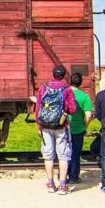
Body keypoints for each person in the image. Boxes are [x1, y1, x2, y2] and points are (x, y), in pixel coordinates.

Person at [32, 65, 76, 195]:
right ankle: (62, 185)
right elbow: (73, 109)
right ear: (63, 75)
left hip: (45, 126)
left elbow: (38, 107)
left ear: (53, 74)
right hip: (61, 126)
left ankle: (50, 184)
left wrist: (38, 124)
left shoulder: (43, 87)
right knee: (63, 156)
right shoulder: (67, 89)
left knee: (48, 156)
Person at [66, 73, 93, 184]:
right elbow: (88, 115)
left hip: (64, 128)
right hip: (78, 128)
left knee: (64, 153)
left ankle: (62, 175)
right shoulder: (84, 96)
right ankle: (74, 177)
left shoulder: (64, 94)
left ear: (70, 81)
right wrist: (85, 126)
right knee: (76, 154)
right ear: (80, 82)